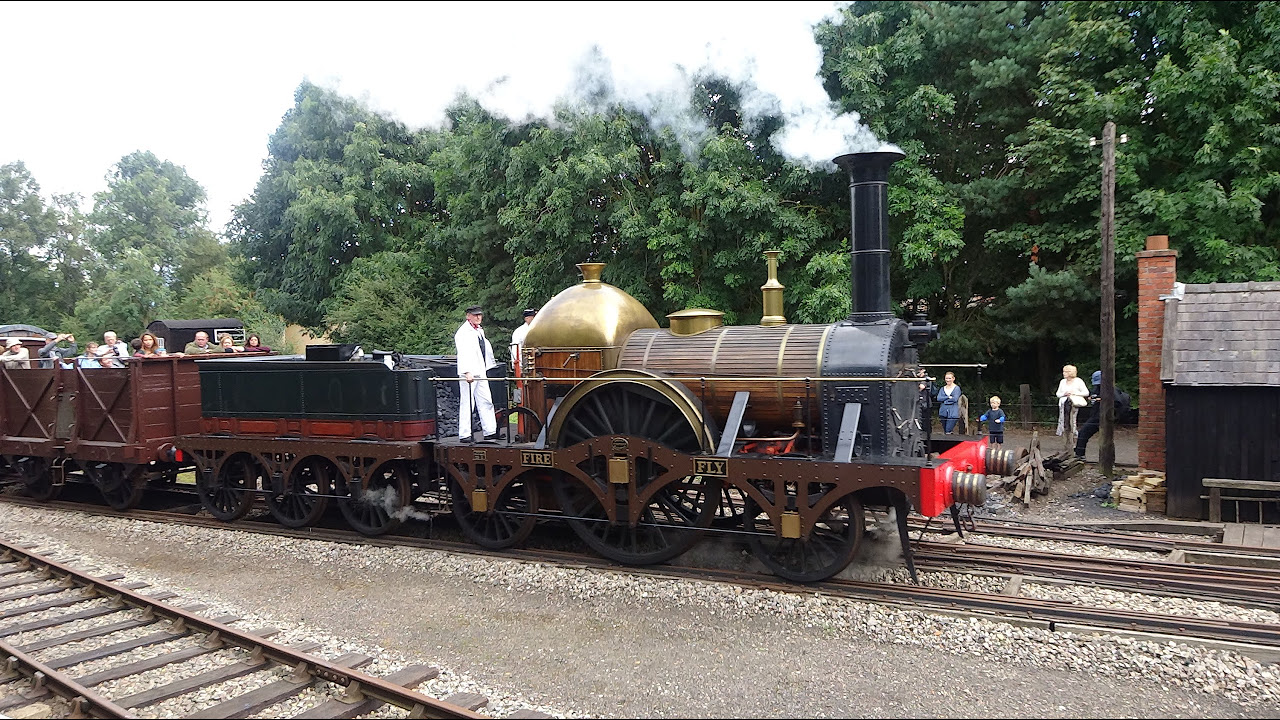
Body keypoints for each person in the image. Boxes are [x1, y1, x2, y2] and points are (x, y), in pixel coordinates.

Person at [454, 305, 498, 442]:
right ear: (468, 316)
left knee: (486, 400)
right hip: (470, 372)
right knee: (467, 402)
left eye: (479, 315)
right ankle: (465, 434)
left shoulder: (479, 330)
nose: (478, 317)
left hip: (480, 370)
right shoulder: (463, 332)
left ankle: (490, 430)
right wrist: (467, 372)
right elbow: (463, 353)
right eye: (475, 315)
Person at [1074, 371, 1132, 459]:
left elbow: (1117, 402)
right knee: (1086, 434)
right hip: (1095, 415)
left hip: (1103, 416)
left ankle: (1080, 454)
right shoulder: (1097, 388)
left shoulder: (1111, 389)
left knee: (1086, 433)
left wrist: (1102, 400)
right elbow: (1093, 396)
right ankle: (1080, 453)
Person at [1055, 364, 1090, 437]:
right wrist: (1064, 393)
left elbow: (1086, 393)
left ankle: (1073, 433)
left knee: (1072, 419)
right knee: (1062, 419)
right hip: (1063, 403)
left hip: (1073, 403)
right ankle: (1063, 433)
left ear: (1070, 372)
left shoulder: (1078, 381)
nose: (1063, 373)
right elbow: (1058, 394)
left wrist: (1074, 393)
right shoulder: (1062, 381)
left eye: (1065, 372)